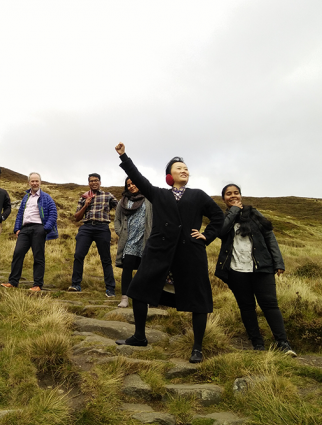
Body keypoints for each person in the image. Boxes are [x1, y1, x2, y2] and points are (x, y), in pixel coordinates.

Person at [114, 143, 224, 363]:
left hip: (190, 254)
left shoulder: (198, 196)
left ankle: (197, 348)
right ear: (169, 175)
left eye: (186, 168)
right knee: (138, 290)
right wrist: (124, 156)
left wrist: (206, 236)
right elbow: (138, 177)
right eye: (179, 168)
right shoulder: (159, 194)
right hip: (158, 252)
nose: (184, 170)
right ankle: (139, 336)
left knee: (198, 299)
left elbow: (218, 216)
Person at [215, 184, 297, 356]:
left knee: (270, 305)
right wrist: (233, 212)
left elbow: (269, 236)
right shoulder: (224, 218)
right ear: (224, 199)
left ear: (241, 195)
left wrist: (278, 262)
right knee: (246, 307)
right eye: (228, 194)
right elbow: (221, 231)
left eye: (236, 193)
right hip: (236, 270)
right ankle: (257, 343)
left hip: (261, 268)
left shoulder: (254, 214)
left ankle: (283, 343)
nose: (233, 196)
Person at [1, 172, 58, 291]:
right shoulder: (26, 197)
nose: (35, 183)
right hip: (25, 229)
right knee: (18, 253)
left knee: (38, 256)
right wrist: (17, 229)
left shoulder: (46, 197)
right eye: (32, 181)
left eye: (37, 181)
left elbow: (53, 213)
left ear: (40, 182)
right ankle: (13, 282)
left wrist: (45, 228)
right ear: (29, 183)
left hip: (39, 228)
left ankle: (37, 285)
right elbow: (20, 213)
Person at [68, 173, 118, 297]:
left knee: (105, 258)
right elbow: (77, 217)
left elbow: (120, 208)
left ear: (100, 182)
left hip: (102, 227)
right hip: (86, 228)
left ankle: (110, 288)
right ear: (88, 183)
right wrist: (86, 205)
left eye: (96, 180)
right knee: (78, 255)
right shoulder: (84, 197)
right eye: (91, 181)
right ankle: (75, 285)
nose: (94, 182)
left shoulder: (107, 195)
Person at [114, 177, 153, 308]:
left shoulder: (148, 200)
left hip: (144, 240)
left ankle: (144, 298)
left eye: (133, 183)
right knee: (127, 268)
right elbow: (117, 219)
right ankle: (125, 297)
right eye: (128, 185)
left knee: (144, 270)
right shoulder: (123, 201)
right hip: (129, 241)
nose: (131, 186)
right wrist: (121, 232)